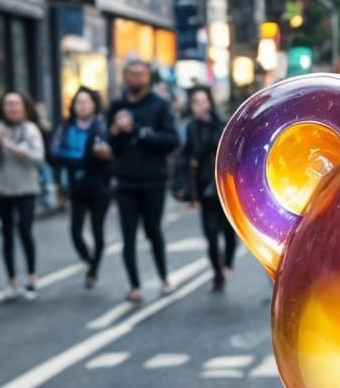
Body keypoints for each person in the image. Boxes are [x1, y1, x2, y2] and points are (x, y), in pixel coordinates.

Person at [106, 55, 178, 302]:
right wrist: (115, 132)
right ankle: (134, 285)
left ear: (148, 77)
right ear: (125, 77)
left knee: (153, 231)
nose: (136, 78)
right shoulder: (116, 106)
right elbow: (108, 144)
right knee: (127, 235)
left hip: (153, 180)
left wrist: (138, 132)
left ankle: (164, 276)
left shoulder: (159, 105)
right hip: (125, 180)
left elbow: (171, 140)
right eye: (132, 74)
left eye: (141, 74)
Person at [51, 86, 113, 287]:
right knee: (76, 232)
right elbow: (54, 152)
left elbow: (111, 155)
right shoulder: (66, 127)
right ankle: (89, 261)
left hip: (98, 186)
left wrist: (104, 154)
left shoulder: (102, 126)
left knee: (97, 231)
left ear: (94, 105)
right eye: (79, 102)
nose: (82, 106)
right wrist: (78, 159)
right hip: (76, 185)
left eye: (86, 102)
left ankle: (93, 271)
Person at [176, 85, 236, 292]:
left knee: (229, 232)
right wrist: (182, 185)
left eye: (203, 101)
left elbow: (222, 147)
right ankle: (218, 274)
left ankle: (228, 261)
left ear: (210, 102)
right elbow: (186, 156)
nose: (200, 106)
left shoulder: (221, 123)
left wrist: (210, 128)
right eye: (195, 102)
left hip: (224, 186)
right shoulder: (191, 128)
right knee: (210, 235)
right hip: (204, 188)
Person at [0, 90, 43, 300]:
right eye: (8, 104)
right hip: (3, 188)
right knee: (7, 234)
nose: (11, 108)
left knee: (25, 230)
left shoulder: (30, 129)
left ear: (23, 107)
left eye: (16, 104)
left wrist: (20, 150)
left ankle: (31, 277)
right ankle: (12, 280)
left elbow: (39, 156)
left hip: (26, 188)